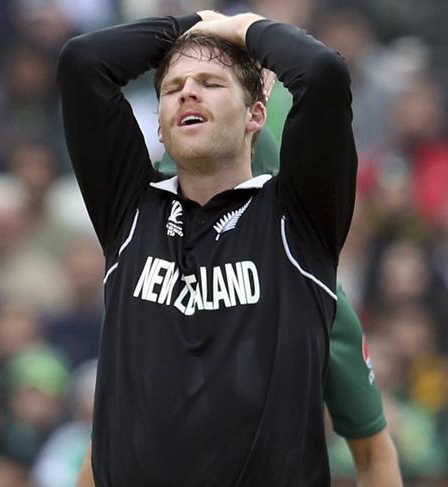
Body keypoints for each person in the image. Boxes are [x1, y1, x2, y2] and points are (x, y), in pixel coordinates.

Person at [58, 9, 357, 486]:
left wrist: (241, 28)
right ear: (159, 127)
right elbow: (82, 63)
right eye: (173, 89)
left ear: (256, 115)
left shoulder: (299, 215)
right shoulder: (129, 207)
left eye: (211, 84)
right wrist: (192, 22)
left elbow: (322, 75)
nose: (188, 93)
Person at [161, 136, 402, 487]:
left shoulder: (315, 293)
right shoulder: (145, 286)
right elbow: (107, 442)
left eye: (215, 195)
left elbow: (373, 452)